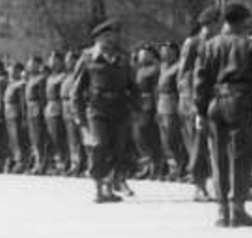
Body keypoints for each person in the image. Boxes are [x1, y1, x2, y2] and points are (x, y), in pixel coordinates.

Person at [193, 2, 252, 227]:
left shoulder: (208, 45)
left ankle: (222, 211)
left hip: (214, 102)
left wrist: (200, 111)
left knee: (218, 157)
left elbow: (200, 81)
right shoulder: (250, 45)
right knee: (240, 156)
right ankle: (237, 209)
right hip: (240, 100)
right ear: (243, 21)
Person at [72, 20, 140, 204]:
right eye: (107, 36)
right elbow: (77, 90)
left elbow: (133, 86)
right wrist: (78, 116)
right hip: (96, 109)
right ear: (98, 38)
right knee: (99, 146)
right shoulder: (87, 58)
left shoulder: (123, 58)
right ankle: (98, 189)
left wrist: (136, 108)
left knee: (116, 149)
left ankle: (109, 188)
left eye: (113, 35)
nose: (111, 39)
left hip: (119, 109)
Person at [179, 9, 221, 201]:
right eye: (216, 22)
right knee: (197, 145)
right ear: (208, 23)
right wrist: (191, 102)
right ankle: (199, 186)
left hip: (215, 98)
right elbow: (184, 74)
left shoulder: (218, 41)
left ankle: (217, 185)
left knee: (215, 144)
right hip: (195, 100)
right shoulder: (193, 43)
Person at [155, 42, 185, 180]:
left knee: (173, 139)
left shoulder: (178, 67)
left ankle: (180, 167)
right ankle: (172, 167)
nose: (164, 53)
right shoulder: (162, 67)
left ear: (174, 52)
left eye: (167, 51)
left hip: (172, 104)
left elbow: (180, 88)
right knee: (164, 140)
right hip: (161, 104)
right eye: (162, 50)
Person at [132, 45, 163, 179]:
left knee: (149, 136)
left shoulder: (155, 70)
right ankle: (147, 165)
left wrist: (157, 108)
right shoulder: (138, 70)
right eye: (141, 53)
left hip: (149, 105)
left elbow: (156, 90)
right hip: (138, 105)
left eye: (146, 53)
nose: (142, 56)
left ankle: (156, 166)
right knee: (139, 137)